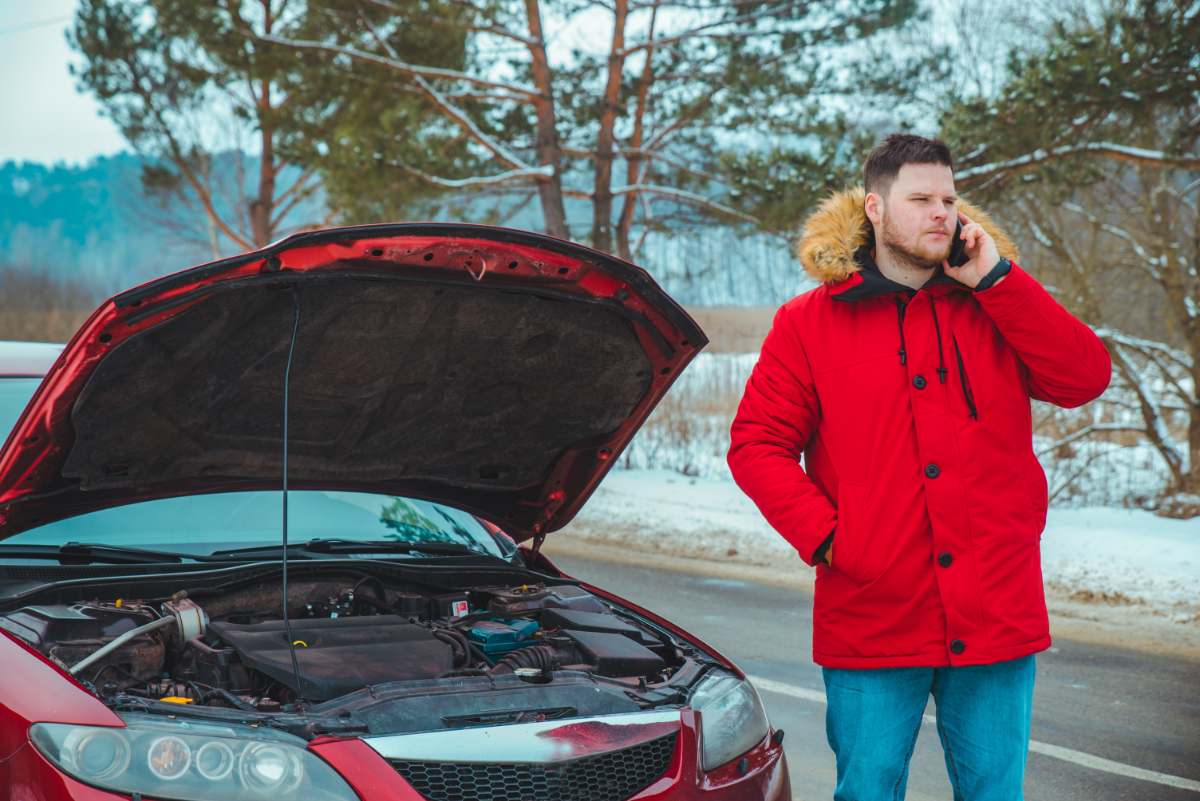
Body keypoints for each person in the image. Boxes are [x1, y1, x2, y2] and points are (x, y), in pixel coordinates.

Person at [726, 133, 1112, 801]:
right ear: (874, 208)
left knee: (994, 792)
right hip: (872, 612)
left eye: (949, 198)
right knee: (869, 789)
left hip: (996, 608)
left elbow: (1084, 377)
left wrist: (999, 280)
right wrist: (832, 539)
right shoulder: (808, 323)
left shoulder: (997, 303)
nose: (943, 212)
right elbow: (756, 443)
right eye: (921, 199)